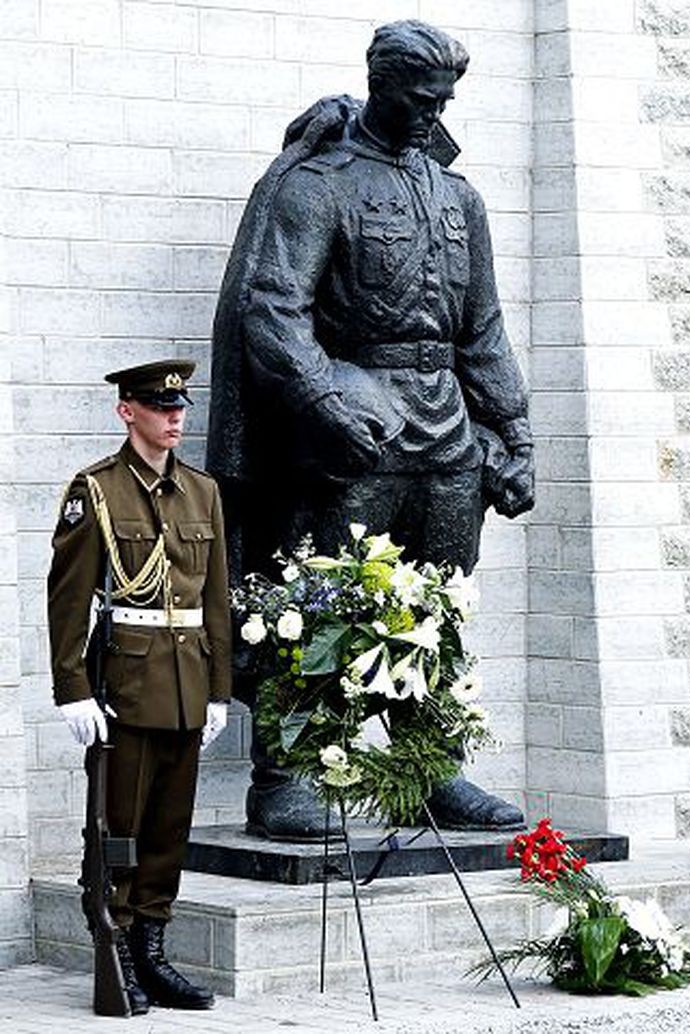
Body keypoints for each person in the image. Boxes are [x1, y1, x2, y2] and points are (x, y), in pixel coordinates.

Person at [207, 20, 534, 840]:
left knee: (436, 604)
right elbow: (271, 309)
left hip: (447, 431)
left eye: (446, 99)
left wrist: (515, 434)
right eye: (423, 98)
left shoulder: (459, 196)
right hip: (355, 425)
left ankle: (428, 764)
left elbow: (483, 328)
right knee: (316, 601)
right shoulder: (319, 183)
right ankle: (286, 775)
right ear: (382, 85)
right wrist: (324, 404)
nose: (436, 112)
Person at [48, 360, 231, 1014]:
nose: (174, 416)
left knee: (167, 831)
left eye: (180, 407)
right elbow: (68, 599)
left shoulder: (202, 492)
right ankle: (116, 950)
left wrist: (218, 691)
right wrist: (72, 688)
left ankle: (152, 955)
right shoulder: (96, 491)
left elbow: (215, 599)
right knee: (118, 828)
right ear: (128, 411)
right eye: (160, 406)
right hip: (124, 686)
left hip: (185, 686)